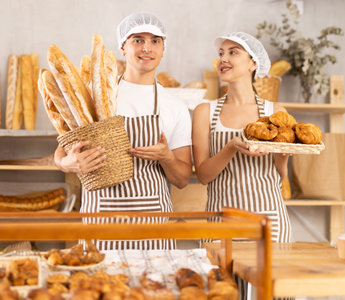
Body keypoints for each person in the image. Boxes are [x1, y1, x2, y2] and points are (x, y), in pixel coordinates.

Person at [54, 12, 192, 250]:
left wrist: (166, 157)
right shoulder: (94, 97)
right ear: (123, 47)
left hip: (153, 227)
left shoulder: (175, 106)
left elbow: (181, 179)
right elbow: (60, 152)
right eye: (138, 40)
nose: (147, 48)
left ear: (163, 48)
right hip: (100, 222)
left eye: (155, 41)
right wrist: (67, 164)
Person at [192, 32, 292, 297]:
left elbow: (281, 176)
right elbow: (203, 175)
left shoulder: (275, 111)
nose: (223, 59)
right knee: (222, 294)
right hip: (220, 224)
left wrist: (282, 156)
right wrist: (230, 148)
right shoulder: (205, 111)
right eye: (221, 54)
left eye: (233, 52)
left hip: (268, 222)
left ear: (253, 63)